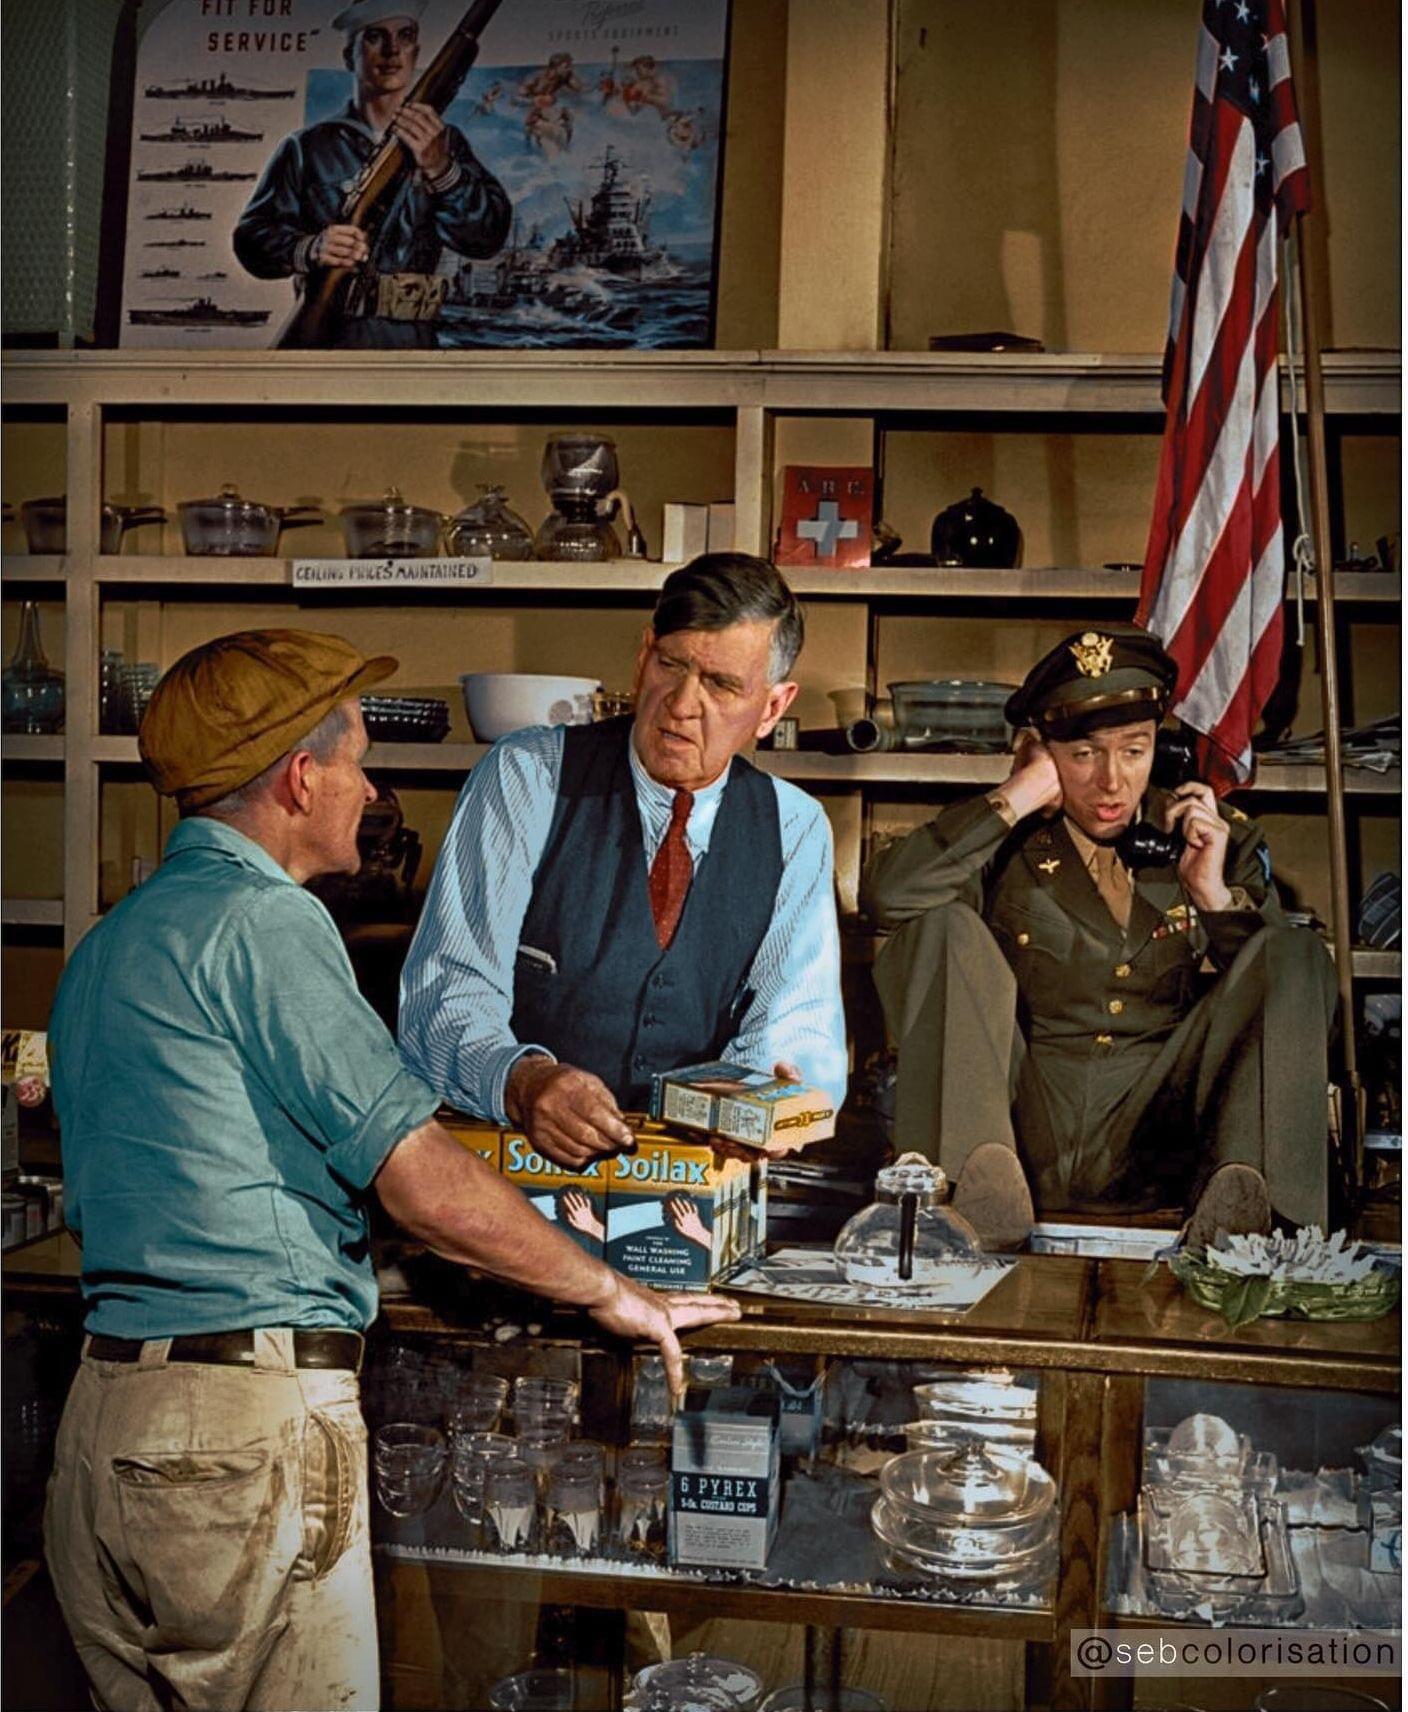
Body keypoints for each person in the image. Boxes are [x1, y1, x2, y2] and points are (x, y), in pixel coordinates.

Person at [43, 629, 738, 1712]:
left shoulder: (112, 942)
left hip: (103, 1426)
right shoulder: (267, 924)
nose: (370, 789)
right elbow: (421, 1177)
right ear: (299, 774)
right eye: (359, 761)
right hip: (239, 1435)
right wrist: (613, 1289)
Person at [860, 623, 1337, 1252]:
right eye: (1084, 754)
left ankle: (1265, 1227)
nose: (1111, 781)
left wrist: (1215, 899)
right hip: (1016, 1136)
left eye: (1134, 751)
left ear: (1158, 751)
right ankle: (958, 1210)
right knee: (940, 925)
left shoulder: (1212, 839)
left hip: (1162, 1137)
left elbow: (1291, 1001)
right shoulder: (996, 839)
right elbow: (886, 898)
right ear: (1041, 751)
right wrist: (1016, 795)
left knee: (1296, 950)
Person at [399, 553, 848, 1165]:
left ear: (772, 707)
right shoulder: (527, 777)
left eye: (721, 685)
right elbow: (444, 996)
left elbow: (798, 1022)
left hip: (691, 1180)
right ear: (643, 658)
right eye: (671, 665)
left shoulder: (794, 827)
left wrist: (756, 1104)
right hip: (511, 1170)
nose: (682, 703)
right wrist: (522, 1082)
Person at [233, 0, 510, 348]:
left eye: (405, 37)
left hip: (415, 343)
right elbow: (251, 238)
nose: (392, 50)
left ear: (416, 52)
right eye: (375, 37)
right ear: (349, 56)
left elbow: (486, 237)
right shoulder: (308, 147)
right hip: (334, 337)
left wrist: (442, 170)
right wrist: (310, 247)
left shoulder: (445, 143)